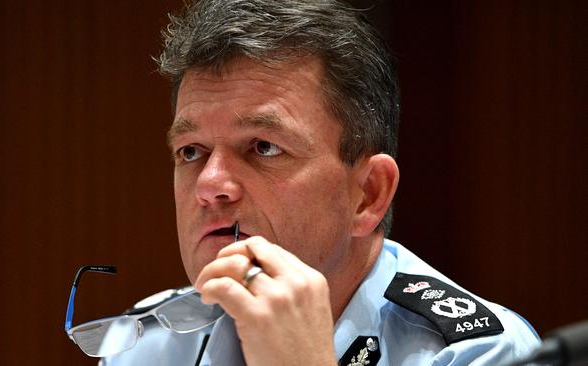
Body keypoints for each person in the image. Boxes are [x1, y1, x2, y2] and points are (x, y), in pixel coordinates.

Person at [102, 0, 540, 365]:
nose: (211, 184)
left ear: (368, 195)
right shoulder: (146, 343)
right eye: (191, 151)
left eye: (263, 147)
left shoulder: (481, 353)